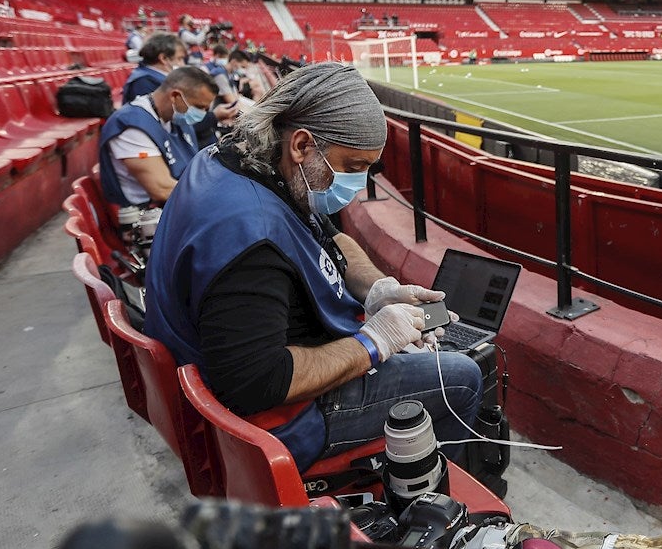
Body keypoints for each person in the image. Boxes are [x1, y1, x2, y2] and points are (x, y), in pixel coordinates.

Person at [145, 62, 483, 472]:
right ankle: (435, 509)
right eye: (354, 166)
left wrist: (377, 287)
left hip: (228, 373)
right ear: (302, 145)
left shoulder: (242, 162)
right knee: (462, 375)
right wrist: (374, 343)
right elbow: (256, 383)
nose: (358, 184)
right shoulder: (251, 240)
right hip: (271, 426)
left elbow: (328, 239)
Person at [98, 66, 217, 208]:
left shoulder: (177, 117)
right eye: (199, 107)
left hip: (179, 203)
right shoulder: (132, 125)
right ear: (175, 96)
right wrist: (215, 199)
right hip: (147, 215)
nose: (203, 113)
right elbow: (162, 189)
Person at [122, 32, 184, 104]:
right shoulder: (143, 82)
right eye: (179, 59)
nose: (182, 64)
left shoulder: (150, 76)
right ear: (163, 58)